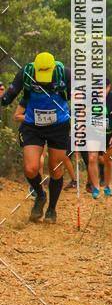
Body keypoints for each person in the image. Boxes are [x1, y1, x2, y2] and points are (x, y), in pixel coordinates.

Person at [1, 52, 70, 223]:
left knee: (55, 168)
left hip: (59, 126)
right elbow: (8, 98)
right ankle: (40, 195)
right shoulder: (26, 73)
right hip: (33, 125)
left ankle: (52, 209)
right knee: (31, 168)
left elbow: (82, 98)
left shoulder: (65, 74)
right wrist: (2, 96)